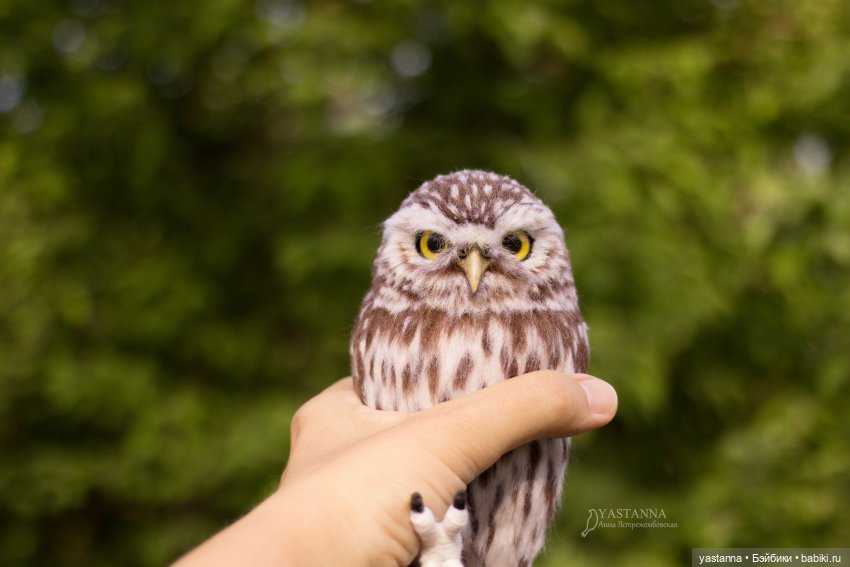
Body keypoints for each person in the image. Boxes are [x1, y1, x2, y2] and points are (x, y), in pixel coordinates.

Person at [172, 371, 618, 566]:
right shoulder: (385, 314)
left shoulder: (554, 316)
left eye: (514, 246)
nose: (475, 267)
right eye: (434, 245)